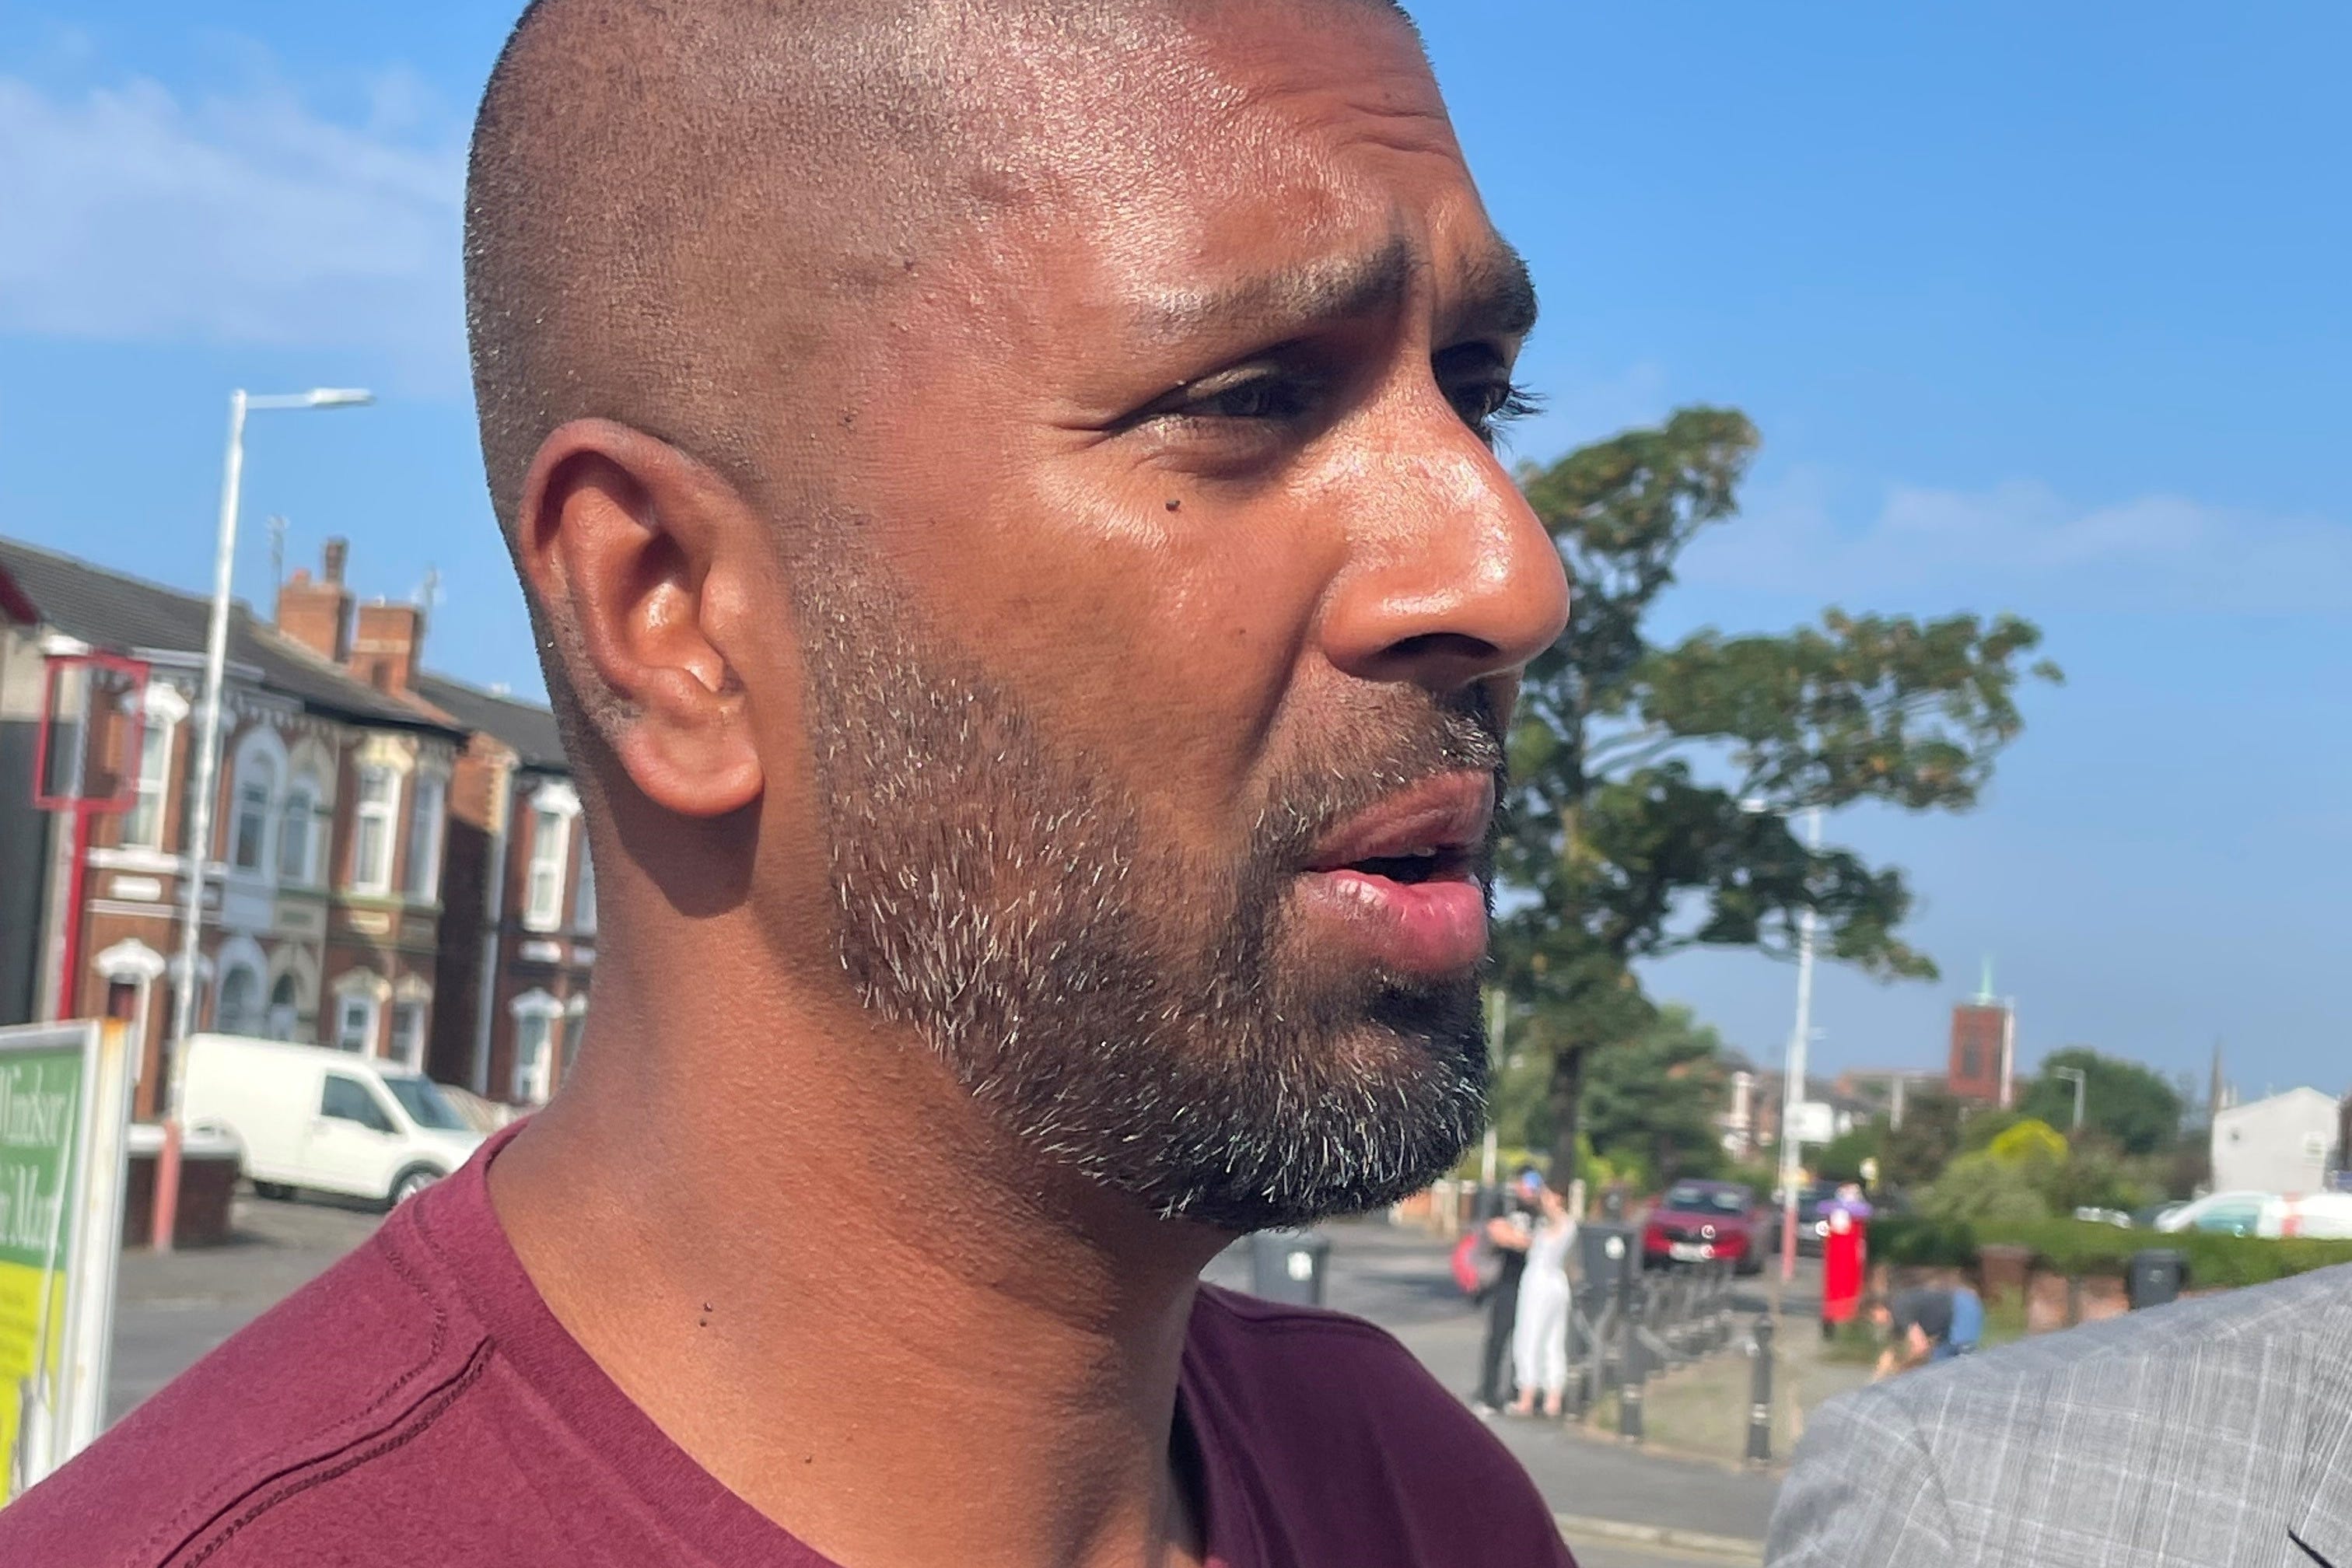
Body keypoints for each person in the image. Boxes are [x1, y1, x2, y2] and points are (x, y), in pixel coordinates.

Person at [0, 2, 1577, 1566]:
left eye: (1480, 387)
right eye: (1253, 397)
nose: (1511, 574)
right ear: (670, 617)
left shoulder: (1427, 1504)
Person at [1769, 1264, 2352, 1564]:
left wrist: (1890, 1370)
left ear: (1876, 1312)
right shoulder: (1918, 1462)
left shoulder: (1905, 1312)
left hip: (1963, 1315)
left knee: (1949, 1360)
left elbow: (1920, 1348)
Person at [1473, 1167, 1542, 1413]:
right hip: (1506, 1280)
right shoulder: (1504, 1203)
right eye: (1528, 1183)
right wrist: (1524, 1241)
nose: (1532, 1190)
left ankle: (1519, 1391)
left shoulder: (1540, 1210)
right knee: (1499, 1337)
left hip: (1533, 1283)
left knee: (1526, 1339)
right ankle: (1488, 1393)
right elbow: (1498, 1234)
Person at [1509, 1181, 1577, 1419]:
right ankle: (1552, 1397)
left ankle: (1527, 1396)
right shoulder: (1556, 1225)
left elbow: (1558, 1227)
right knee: (1552, 1338)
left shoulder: (1564, 1225)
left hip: (1540, 1283)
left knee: (1531, 1335)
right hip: (1555, 1283)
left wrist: (1548, 1203)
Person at [1864, 1285, 1979, 1380]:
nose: (1875, 1322)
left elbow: (1921, 1347)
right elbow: (1890, 1353)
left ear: (1879, 1308)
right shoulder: (1897, 1323)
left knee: (1965, 1358)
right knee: (1937, 1369)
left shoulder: (1900, 1309)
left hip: (1961, 1308)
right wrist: (1875, 1381)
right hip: (1946, 1327)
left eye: (1873, 1317)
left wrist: (1902, 1368)